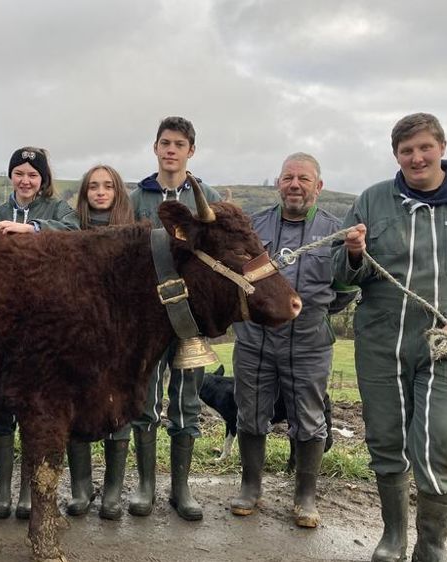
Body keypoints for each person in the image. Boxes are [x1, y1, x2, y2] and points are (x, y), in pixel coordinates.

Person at [332, 113, 447, 562]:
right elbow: (342, 277)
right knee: (385, 438)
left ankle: (431, 545)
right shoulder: (373, 201)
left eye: (424, 148)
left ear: (442, 146)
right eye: (406, 151)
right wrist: (354, 253)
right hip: (382, 344)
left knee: (442, 439)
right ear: (396, 155)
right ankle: (393, 536)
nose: (416, 158)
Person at [229, 153, 357, 528]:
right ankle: (251, 487)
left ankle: (305, 496)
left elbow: (346, 288)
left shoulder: (335, 231)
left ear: (319, 186)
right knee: (250, 411)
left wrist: (313, 315)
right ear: (278, 184)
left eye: (303, 178)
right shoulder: (253, 228)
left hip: (310, 341)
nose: (295, 185)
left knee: (309, 418)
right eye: (288, 178)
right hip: (254, 339)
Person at [127, 116, 222, 521]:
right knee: (145, 400)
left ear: (191, 151)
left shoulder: (209, 196)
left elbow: (217, 257)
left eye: (179, 144)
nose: (171, 150)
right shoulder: (137, 197)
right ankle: (146, 486)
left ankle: (181, 489)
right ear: (155, 148)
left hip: (191, 320)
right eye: (165, 143)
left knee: (185, 403)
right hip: (148, 319)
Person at [0, 147, 79, 520]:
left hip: (43, 324)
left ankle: (29, 491)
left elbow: (74, 233)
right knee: (0, 408)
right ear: (11, 176)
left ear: (43, 180)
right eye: (19, 173)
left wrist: (32, 229)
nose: (25, 180)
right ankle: (1, 490)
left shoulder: (57, 211)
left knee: (35, 409)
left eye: (33, 175)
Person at [63, 164, 135, 520]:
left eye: (107, 186)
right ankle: (80, 488)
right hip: (79, 332)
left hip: (122, 334)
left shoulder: (134, 233)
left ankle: (112, 492)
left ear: (118, 191)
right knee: (78, 404)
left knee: (117, 406)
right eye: (93, 186)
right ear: (84, 193)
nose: (100, 192)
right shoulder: (71, 229)